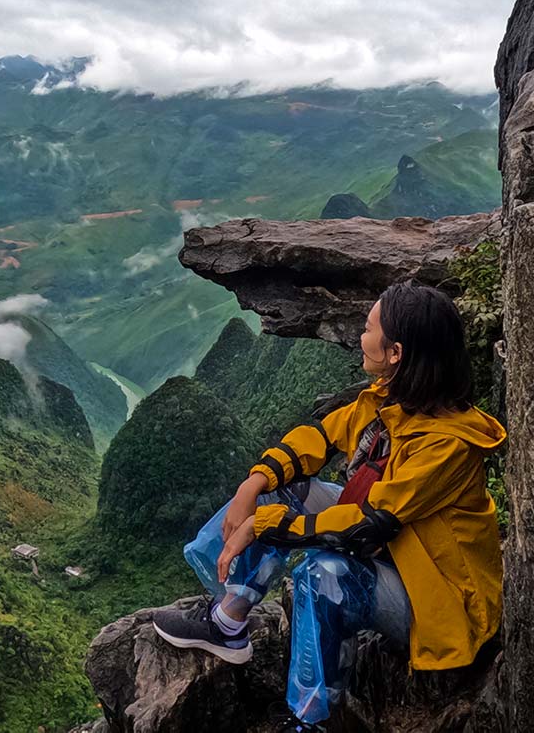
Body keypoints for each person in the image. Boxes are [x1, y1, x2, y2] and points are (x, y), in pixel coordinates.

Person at [151, 281, 508, 732]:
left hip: (437, 598)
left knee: (324, 574)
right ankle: (228, 621)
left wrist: (262, 525)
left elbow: (367, 524)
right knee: (283, 489)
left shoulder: (446, 445)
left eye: (369, 327)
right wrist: (252, 485)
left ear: (395, 352)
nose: (361, 336)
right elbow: (320, 437)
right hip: (400, 554)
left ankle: (310, 720)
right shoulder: (390, 402)